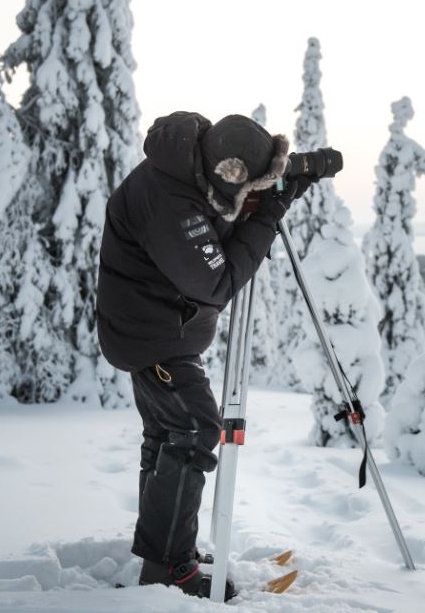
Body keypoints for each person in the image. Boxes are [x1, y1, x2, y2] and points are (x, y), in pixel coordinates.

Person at [96, 111, 315, 601]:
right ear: (226, 174)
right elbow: (216, 282)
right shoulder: (170, 202)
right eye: (249, 185)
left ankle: (169, 548)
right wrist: (269, 214)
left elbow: (224, 215)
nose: (250, 195)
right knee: (196, 429)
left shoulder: (192, 167)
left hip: (153, 328)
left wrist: (280, 184)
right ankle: (168, 566)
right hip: (151, 336)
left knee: (168, 433)